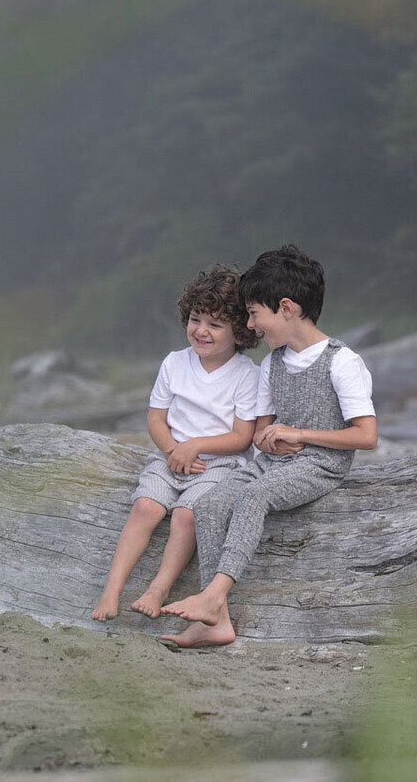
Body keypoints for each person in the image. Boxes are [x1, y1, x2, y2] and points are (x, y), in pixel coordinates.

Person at [160, 245, 377, 647]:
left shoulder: (342, 361)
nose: (250, 324)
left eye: (255, 312)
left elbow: (366, 436)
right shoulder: (274, 362)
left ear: (287, 308)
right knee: (208, 504)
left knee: (253, 497)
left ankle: (214, 594)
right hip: (278, 462)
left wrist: (299, 435)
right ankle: (216, 622)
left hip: (321, 464)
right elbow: (261, 432)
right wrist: (271, 438)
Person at [91, 265, 260, 622]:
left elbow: (243, 436)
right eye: (196, 319)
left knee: (186, 515)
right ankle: (112, 589)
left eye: (215, 325)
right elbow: (156, 418)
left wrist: (194, 446)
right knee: (146, 509)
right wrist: (172, 450)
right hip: (169, 457)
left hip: (218, 465)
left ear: (241, 333)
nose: (201, 331)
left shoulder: (247, 375)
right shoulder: (174, 363)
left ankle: (159, 588)